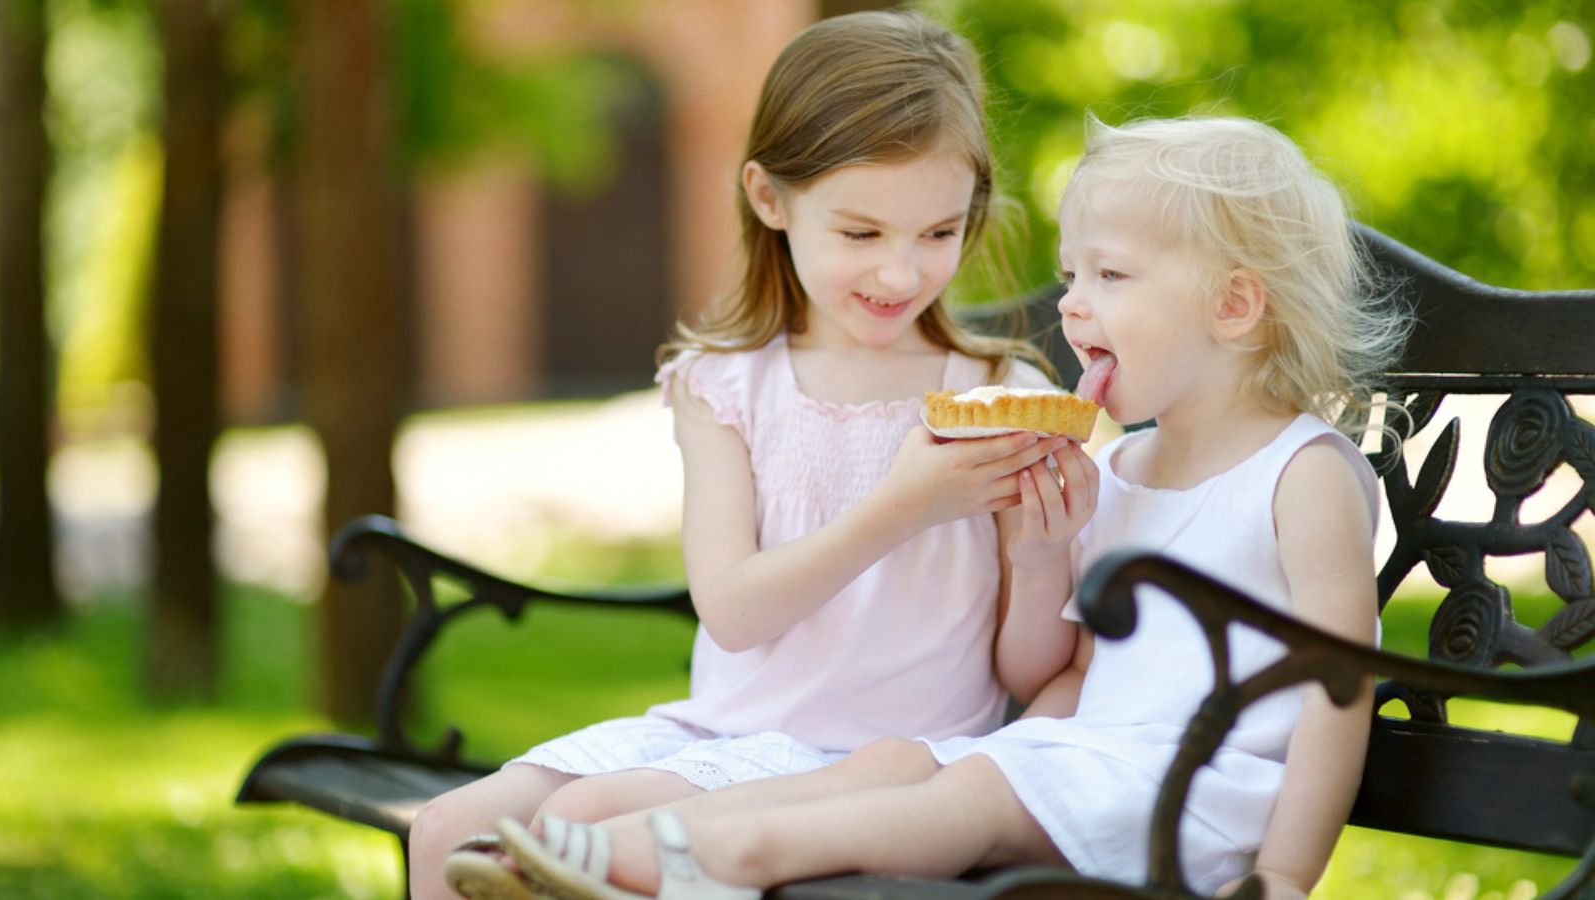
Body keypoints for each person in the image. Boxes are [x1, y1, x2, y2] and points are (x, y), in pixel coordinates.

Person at [482, 114, 1413, 900]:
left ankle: (710, 861)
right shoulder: (1122, 465)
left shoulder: (1302, 474)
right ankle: (642, 845)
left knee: (957, 803)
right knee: (893, 766)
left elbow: (1343, 684)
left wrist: (1287, 879)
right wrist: (1046, 558)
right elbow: (1065, 675)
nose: (1073, 309)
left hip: (1188, 793)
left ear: (1236, 306)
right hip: (1085, 767)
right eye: (1070, 274)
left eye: (1110, 277)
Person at [411, 10, 1089, 899]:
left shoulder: (994, 386)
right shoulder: (724, 386)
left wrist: (1041, 560)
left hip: (878, 762)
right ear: (771, 199)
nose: (900, 273)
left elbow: (1029, 674)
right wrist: (906, 502)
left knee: (579, 827)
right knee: (442, 827)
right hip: (716, 735)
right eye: (861, 234)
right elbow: (733, 610)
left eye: (936, 233)